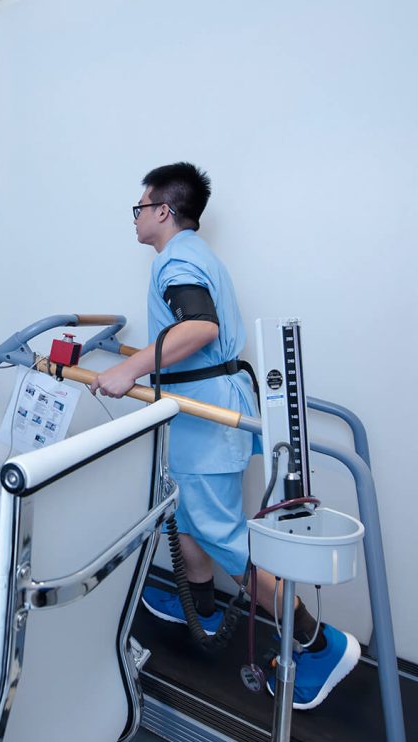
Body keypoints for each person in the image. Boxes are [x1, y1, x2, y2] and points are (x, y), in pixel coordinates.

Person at [89, 162, 360, 709]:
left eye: (140, 207)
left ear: (163, 211)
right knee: (188, 517)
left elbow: (199, 326)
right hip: (204, 415)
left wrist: (128, 369)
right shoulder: (195, 255)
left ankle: (319, 645)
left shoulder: (177, 260)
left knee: (222, 535)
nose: (135, 218)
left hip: (207, 421)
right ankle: (204, 608)